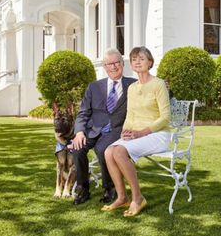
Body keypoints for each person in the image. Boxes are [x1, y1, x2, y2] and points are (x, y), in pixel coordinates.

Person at [103, 46, 171, 217]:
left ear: (150, 62)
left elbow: (165, 118)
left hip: (158, 134)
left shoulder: (159, 84)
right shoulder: (132, 88)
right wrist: (125, 131)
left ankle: (138, 198)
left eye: (141, 58)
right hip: (136, 134)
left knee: (118, 151)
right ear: (131, 65)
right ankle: (122, 197)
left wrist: (142, 132)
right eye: (134, 59)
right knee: (108, 152)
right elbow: (130, 114)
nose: (137, 62)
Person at [71, 48, 137, 205]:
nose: (113, 67)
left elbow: (152, 92)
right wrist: (79, 132)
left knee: (102, 149)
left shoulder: (134, 85)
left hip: (117, 130)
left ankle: (110, 188)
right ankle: (83, 189)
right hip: (93, 129)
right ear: (104, 67)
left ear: (122, 64)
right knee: (77, 148)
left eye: (116, 63)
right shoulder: (94, 87)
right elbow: (83, 113)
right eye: (109, 64)